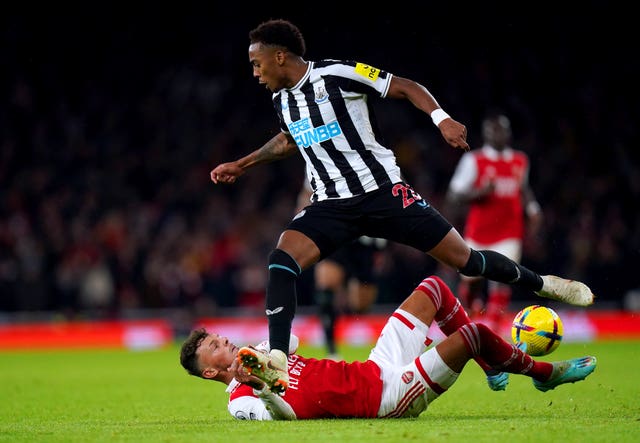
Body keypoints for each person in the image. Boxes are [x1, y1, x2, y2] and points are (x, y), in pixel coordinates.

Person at [209, 19, 594, 394]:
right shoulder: (281, 100)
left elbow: (405, 87)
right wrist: (241, 165)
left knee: (467, 261)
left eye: (256, 64)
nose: (255, 73)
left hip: (382, 193)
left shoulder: (338, 74)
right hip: (331, 204)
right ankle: (277, 356)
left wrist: (441, 119)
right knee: (281, 262)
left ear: (280, 57)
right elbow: (289, 140)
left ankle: (545, 284)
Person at [179, 275, 597, 420]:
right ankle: (546, 375)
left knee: (433, 289)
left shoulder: (257, 351)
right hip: (387, 397)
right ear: (212, 372)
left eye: (219, 336)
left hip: (375, 368)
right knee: (473, 336)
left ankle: (493, 366)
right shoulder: (240, 401)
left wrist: (267, 357)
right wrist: (268, 386)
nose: (225, 341)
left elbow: (287, 338)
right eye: (215, 346)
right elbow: (281, 417)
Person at [446, 112, 543, 332]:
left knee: (503, 276)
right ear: (486, 134)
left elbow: (523, 189)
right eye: (494, 130)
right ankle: (470, 314)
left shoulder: (520, 160)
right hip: (479, 232)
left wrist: (533, 209)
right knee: (472, 281)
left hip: (509, 232)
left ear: (508, 133)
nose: (498, 134)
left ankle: (492, 326)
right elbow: (454, 195)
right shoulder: (474, 160)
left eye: (502, 130)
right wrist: (479, 192)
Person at [297, 180, 386, 359]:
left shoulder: (375, 156)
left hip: (366, 238)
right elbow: (306, 193)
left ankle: (346, 305)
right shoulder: (318, 157)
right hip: (334, 229)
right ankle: (331, 350)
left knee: (360, 304)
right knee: (326, 284)